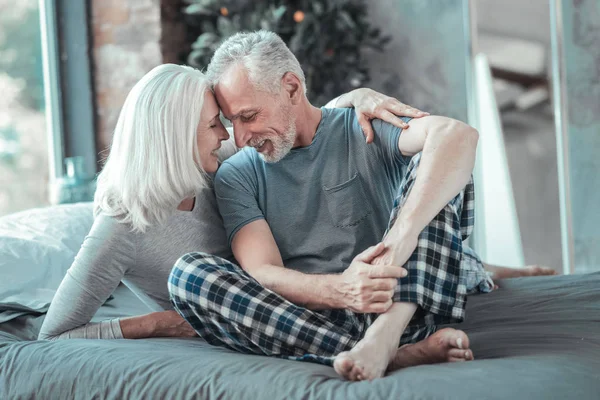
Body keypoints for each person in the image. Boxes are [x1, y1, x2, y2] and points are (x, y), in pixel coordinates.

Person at [167, 31, 556, 381]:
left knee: (437, 169)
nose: (240, 135)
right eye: (231, 121)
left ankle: (386, 336)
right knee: (188, 275)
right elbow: (264, 272)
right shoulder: (236, 174)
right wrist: (343, 291)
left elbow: (457, 135)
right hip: (310, 316)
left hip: (403, 301)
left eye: (249, 117)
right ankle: (393, 354)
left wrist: (401, 239)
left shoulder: (363, 125)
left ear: (290, 87)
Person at [37, 63, 426, 340]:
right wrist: (158, 324)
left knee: (426, 180)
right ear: (175, 136)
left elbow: (295, 124)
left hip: (293, 293)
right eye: (213, 125)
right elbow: (55, 333)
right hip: (232, 319)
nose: (228, 137)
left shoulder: (214, 168)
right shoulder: (120, 226)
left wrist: (356, 98)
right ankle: (381, 351)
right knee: (195, 272)